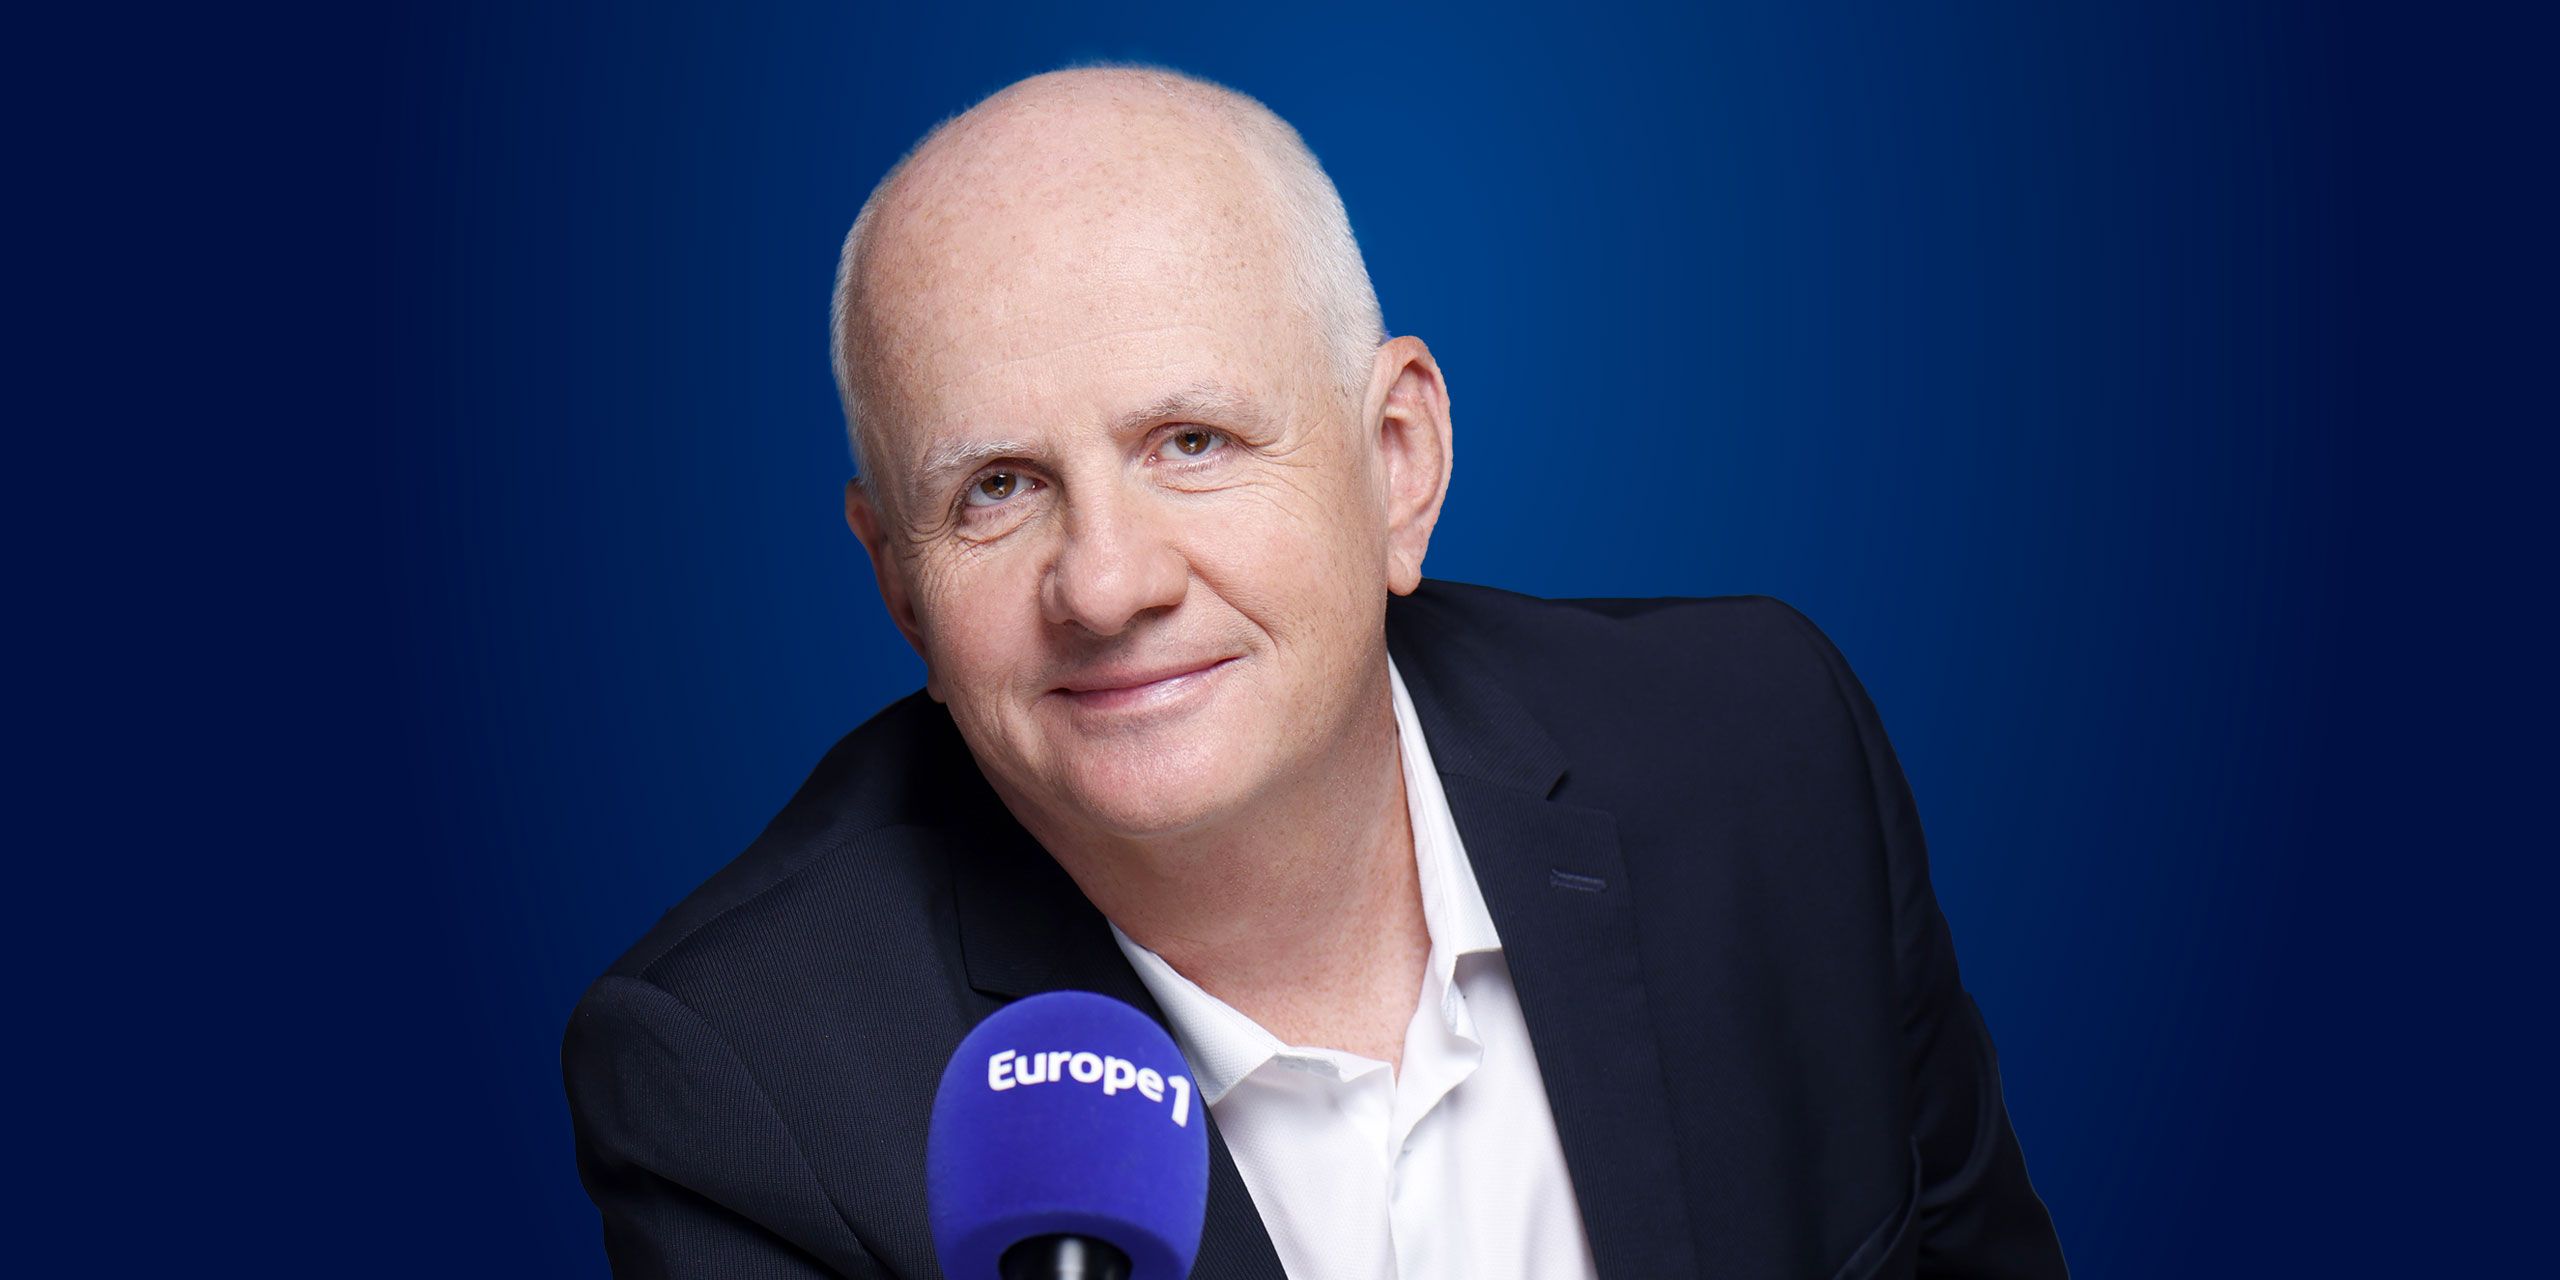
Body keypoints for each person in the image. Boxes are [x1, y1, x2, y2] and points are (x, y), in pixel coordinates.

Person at [562, 65, 2068, 1280]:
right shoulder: (750, 1084)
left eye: (1192, 442)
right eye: (997, 490)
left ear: (1397, 463)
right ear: (901, 583)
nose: (1107, 584)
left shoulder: (1760, 751)